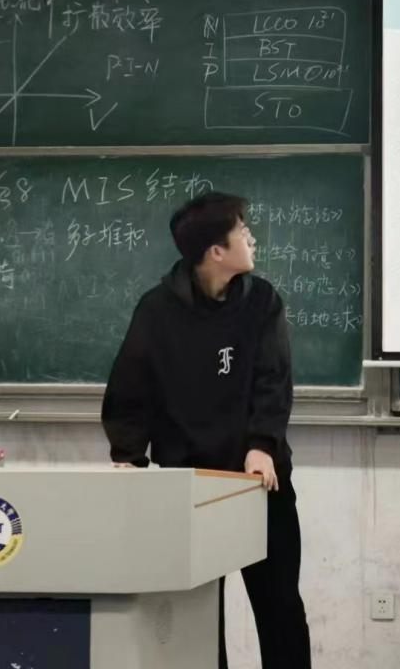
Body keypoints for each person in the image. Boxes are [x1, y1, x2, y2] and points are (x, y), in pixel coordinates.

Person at [101, 192, 312, 669]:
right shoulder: (157, 310)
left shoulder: (262, 301)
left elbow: (274, 379)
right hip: (189, 487)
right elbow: (130, 388)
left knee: (280, 608)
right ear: (216, 251)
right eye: (242, 230)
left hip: (259, 483)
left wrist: (262, 445)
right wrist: (128, 457)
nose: (251, 237)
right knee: (196, 619)